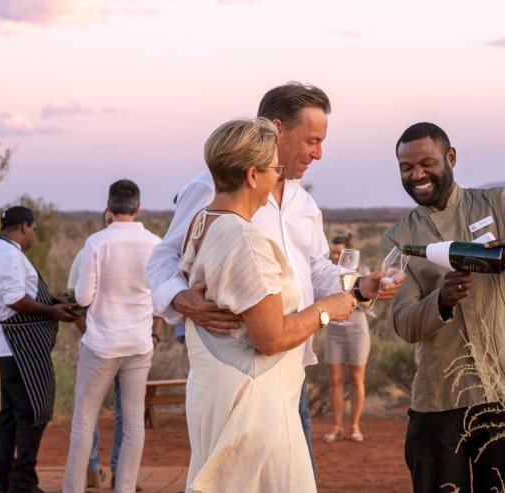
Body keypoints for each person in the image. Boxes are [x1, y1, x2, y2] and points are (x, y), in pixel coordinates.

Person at [145, 82, 399, 470]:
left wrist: (360, 287)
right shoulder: (211, 188)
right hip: (240, 369)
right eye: (312, 140)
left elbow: (314, 268)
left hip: (291, 365)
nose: (318, 153)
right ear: (277, 129)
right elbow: (163, 256)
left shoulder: (303, 202)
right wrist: (183, 300)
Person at [381, 122, 505, 493]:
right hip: (440, 399)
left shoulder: (497, 203)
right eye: (406, 168)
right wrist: (440, 300)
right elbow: (404, 323)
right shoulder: (399, 238)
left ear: (451, 157)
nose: (417, 175)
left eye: (426, 163)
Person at [180, 117, 354, 491]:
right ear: (251, 175)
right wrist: (329, 309)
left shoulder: (202, 222)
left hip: (215, 390)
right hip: (255, 403)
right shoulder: (246, 241)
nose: (280, 177)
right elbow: (270, 337)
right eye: (275, 168)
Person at [63, 180, 163, 492]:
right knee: (133, 423)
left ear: (109, 206)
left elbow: (81, 298)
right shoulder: (155, 244)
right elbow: (161, 296)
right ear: (138, 207)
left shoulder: (96, 243)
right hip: (138, 344)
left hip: (101, 344)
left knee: (83, 419)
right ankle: (125, 487)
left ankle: (73, 489)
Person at [0, 206, 78, 493]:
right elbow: (14, 299)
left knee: (12, 414)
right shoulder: (9, 255)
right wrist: (50, 311)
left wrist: (52, 303)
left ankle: (4, 479)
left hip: (10, 344)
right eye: (34, 229)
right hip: (17, 345)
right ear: (24, 227)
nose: (34, 235)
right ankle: (22, 482)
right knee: (33, 411)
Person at [66, 210, 141, 491]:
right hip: (111, 342)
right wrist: (87, 330)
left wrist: (155, 333)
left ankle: (120, 474)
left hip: (129, 344)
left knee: (118, 415)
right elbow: (75, 299)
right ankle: (94, 469)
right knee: (96, 414)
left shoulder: (99, 246)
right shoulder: (93, 247)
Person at [323, 234, 371, 443]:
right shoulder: (326, 273)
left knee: (357, 378)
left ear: (348, 254)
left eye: (339, 253)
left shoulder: (363, 272)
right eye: (333, 252)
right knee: (335, 380)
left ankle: (354, 426)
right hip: (334, 331)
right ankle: (336, 427)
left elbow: (369, 304)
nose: (335, 256)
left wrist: (353, 295)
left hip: (357, 331)